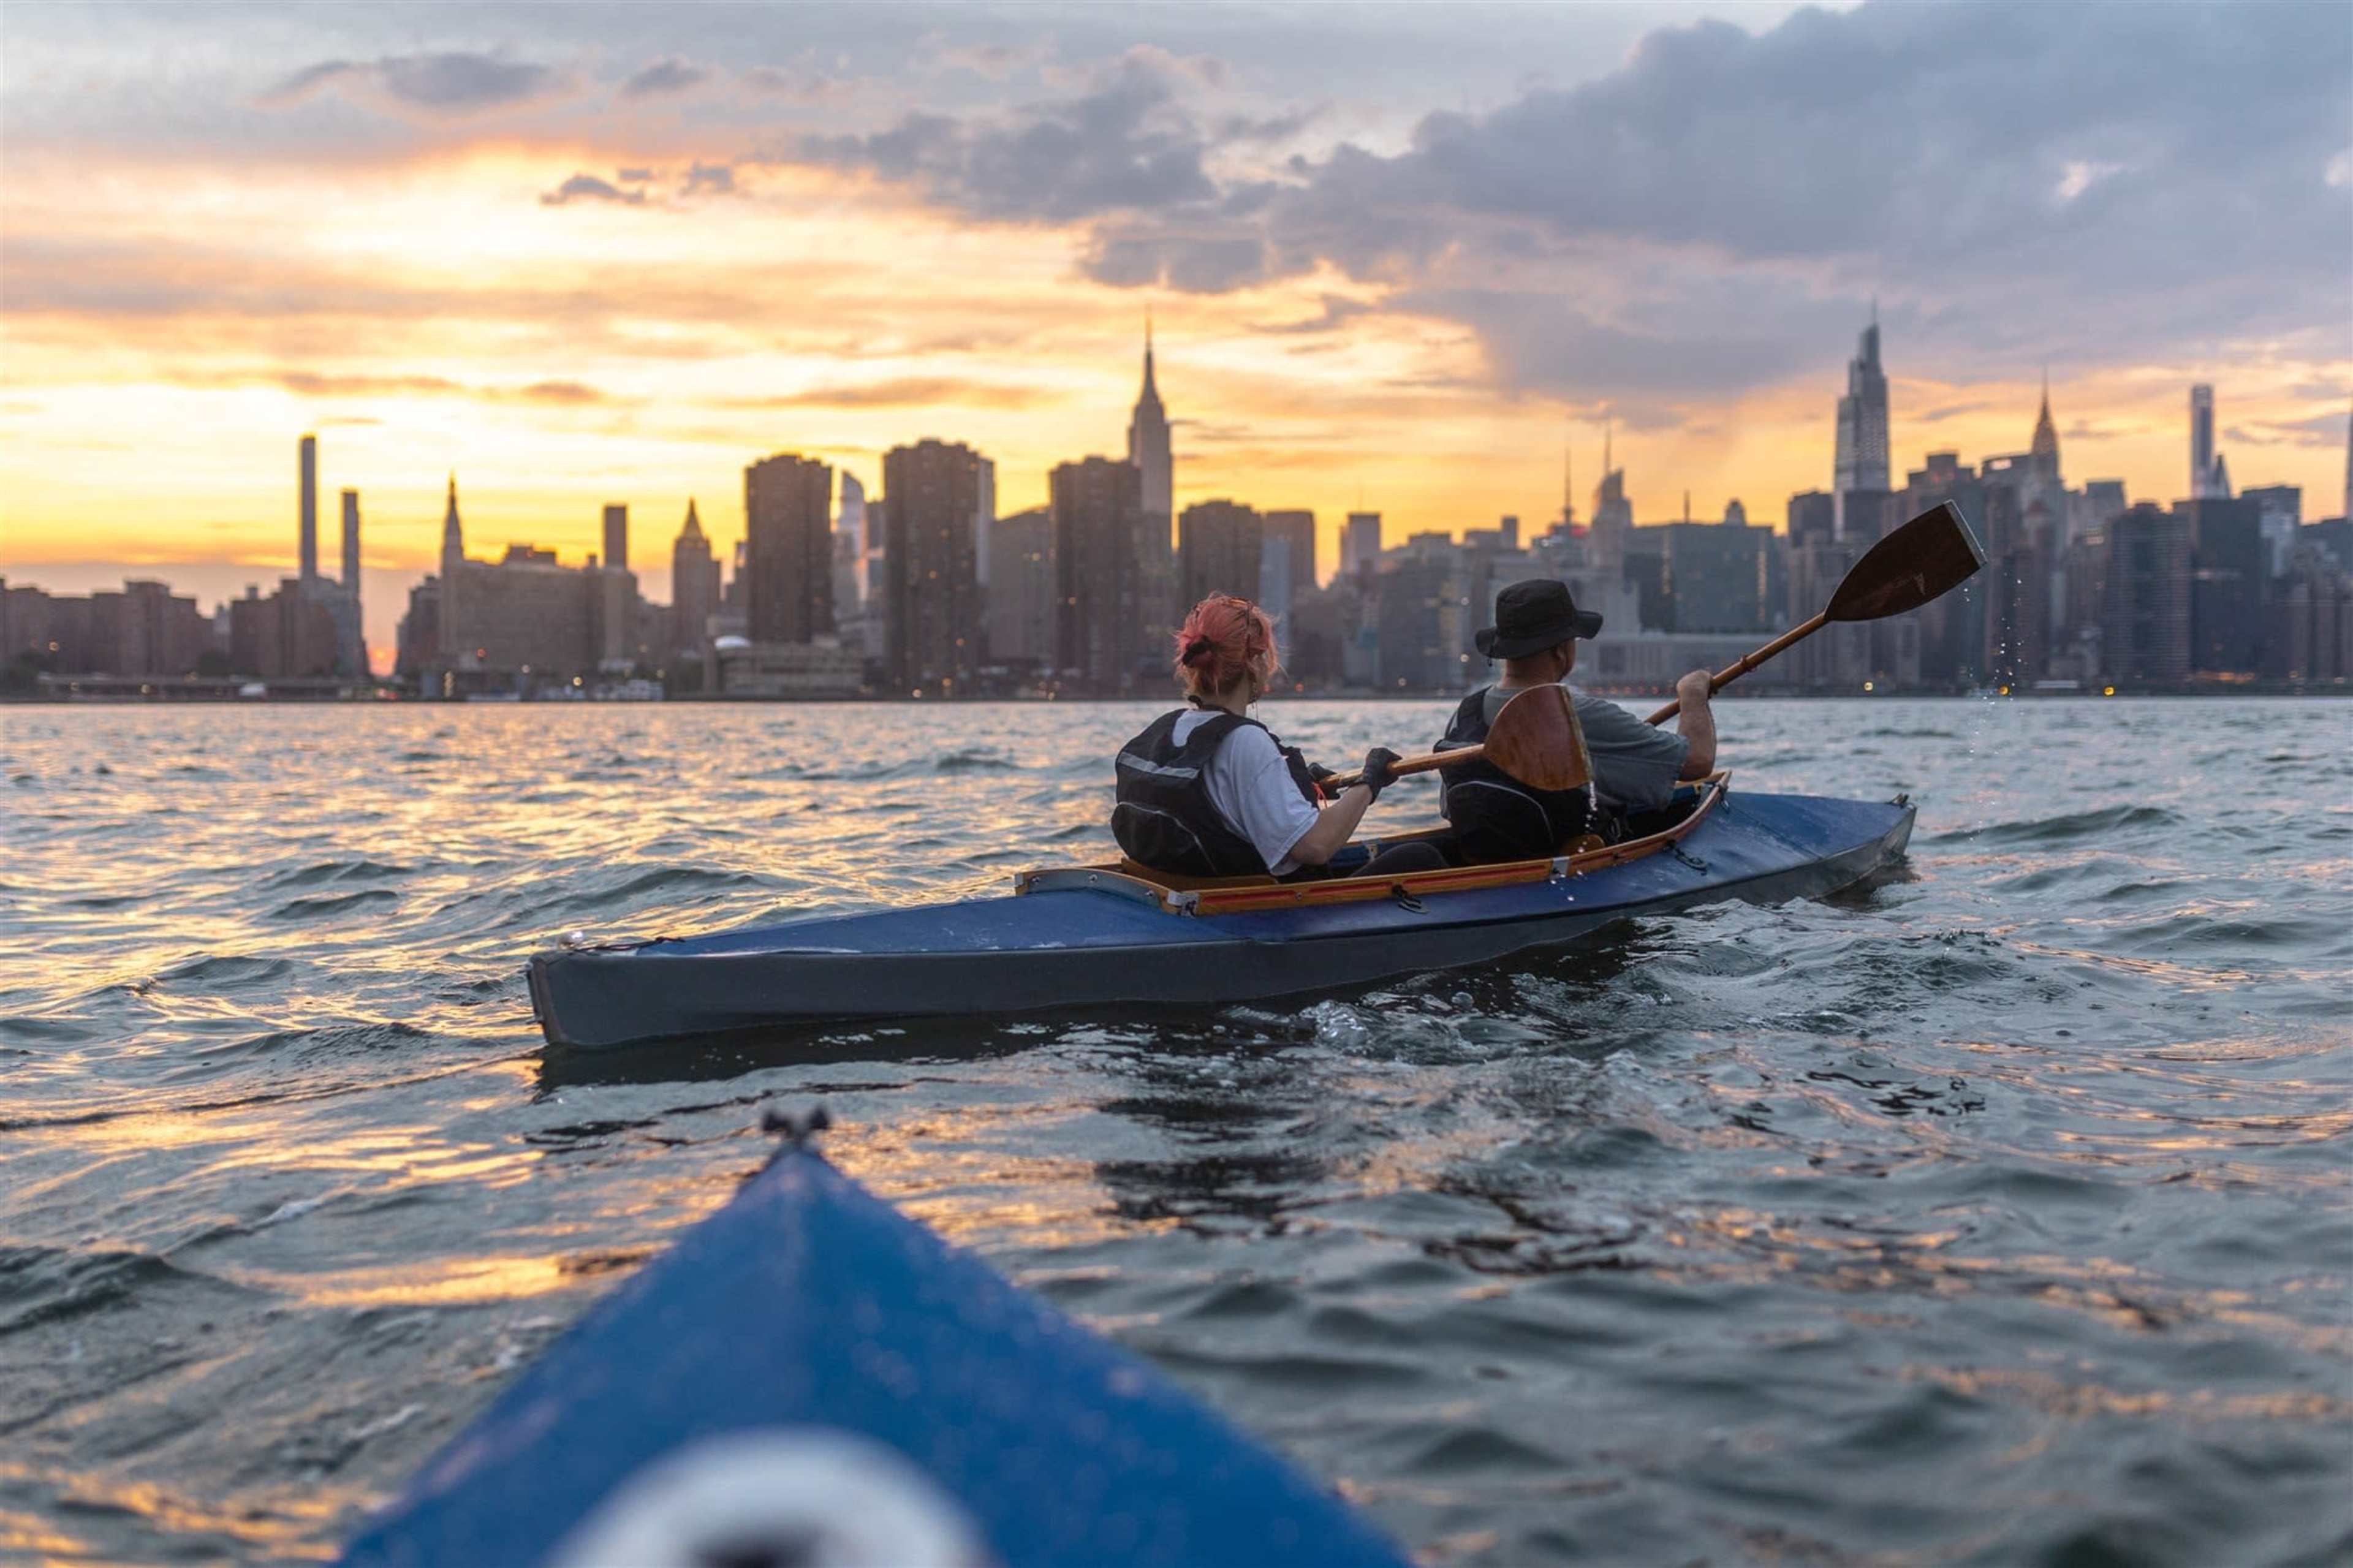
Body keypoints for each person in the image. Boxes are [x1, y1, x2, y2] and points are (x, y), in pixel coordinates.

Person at [1113, 595, 1447, 881]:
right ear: (1256, 662)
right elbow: (1315, 847)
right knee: (1423, 857)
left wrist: (1298, 785)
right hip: (1268, 912)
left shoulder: (1168, 729)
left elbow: (1226, 804)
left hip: (1188, 892)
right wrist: (1370, 781)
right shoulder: (1244, 742)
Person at [1436, 578, 1719, 862]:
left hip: (1487, 863)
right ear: (1561, 651)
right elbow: (1697, 761)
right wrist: (1692, 694)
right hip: (1570, 871)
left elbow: (1450, 811)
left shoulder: (1464, 714)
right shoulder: (1580, 715)